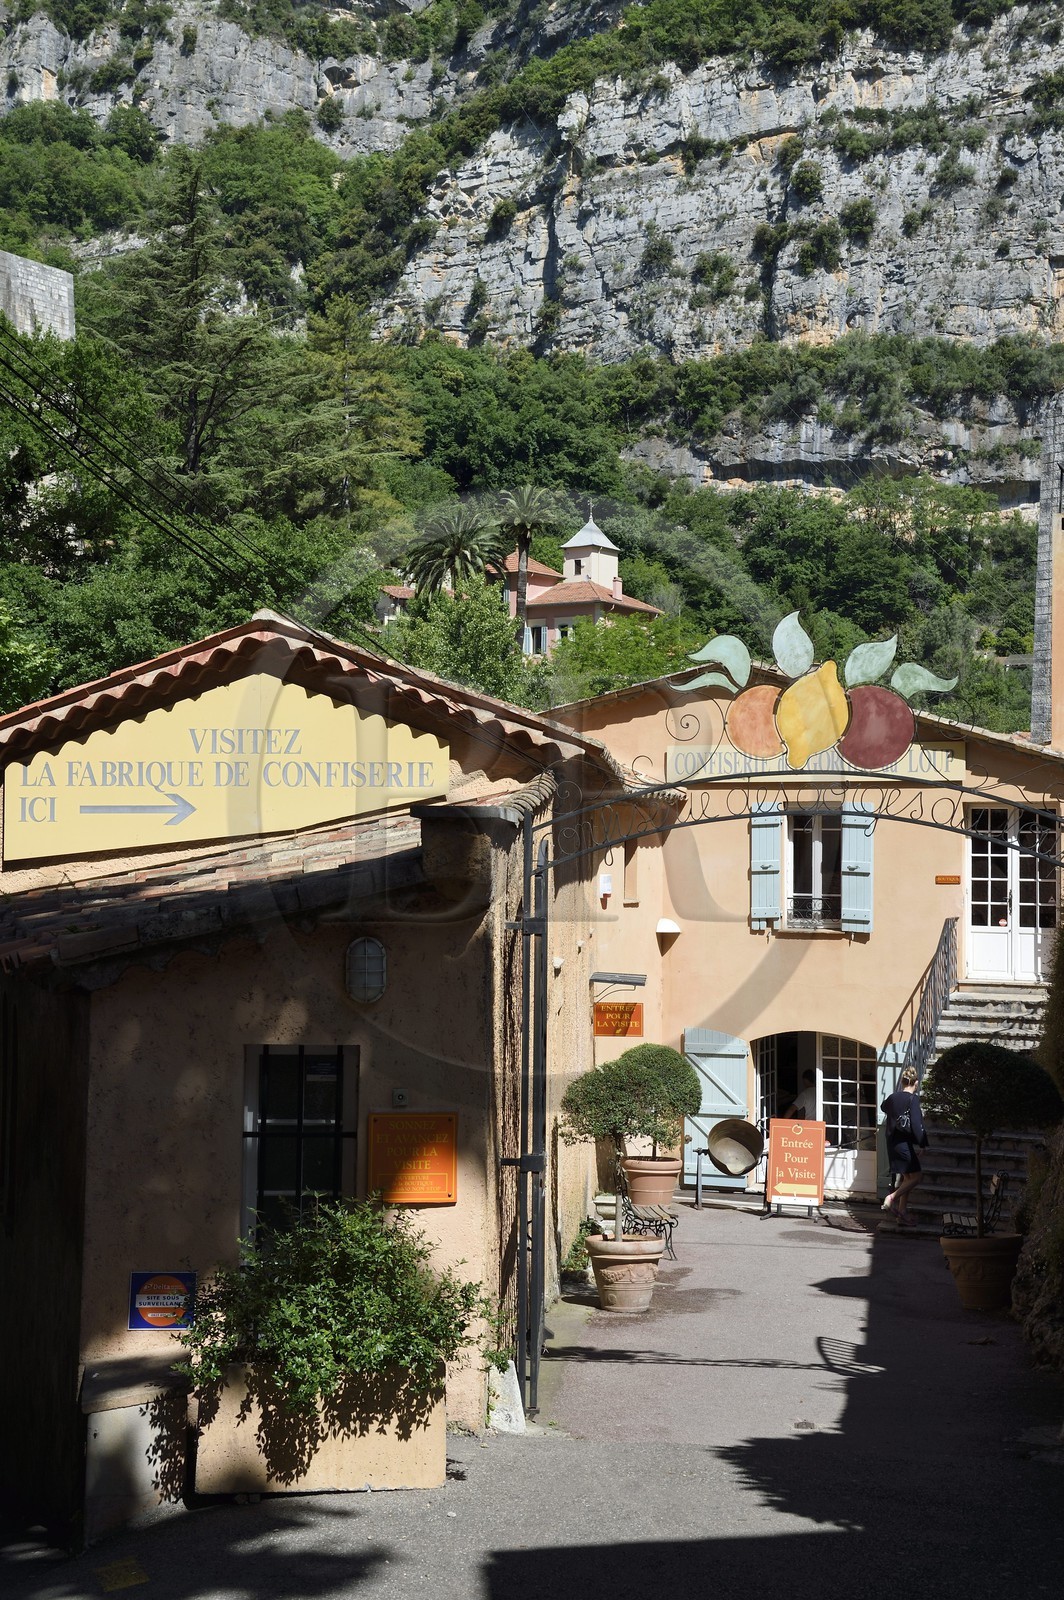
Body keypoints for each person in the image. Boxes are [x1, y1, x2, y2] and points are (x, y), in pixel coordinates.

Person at [881, 1066, 929, 1227]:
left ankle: (902, 1213)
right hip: (903, 1144)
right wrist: (922, 1143)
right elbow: (916, 1124)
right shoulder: (912, 1099)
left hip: (892, 1142)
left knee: (907, 1178)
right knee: (916, 1177)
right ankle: (892, 1198)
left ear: (902, 1082)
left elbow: (883, 1107)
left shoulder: (893, 1097)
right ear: (916, 1083)